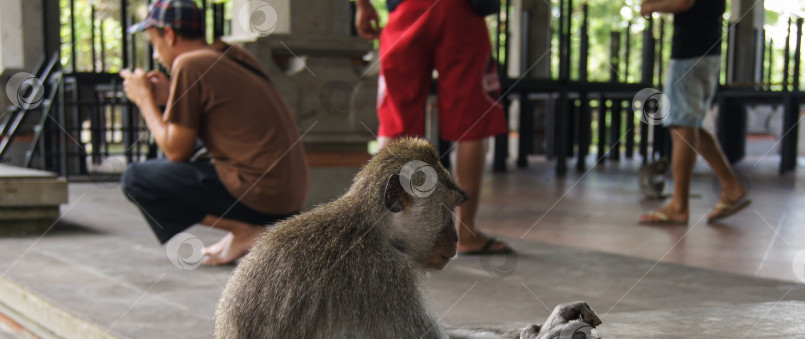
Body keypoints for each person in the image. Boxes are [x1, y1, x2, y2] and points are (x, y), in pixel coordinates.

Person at [120, 0, 309, 265]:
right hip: (289, 196)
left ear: (170, 35)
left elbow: (176, 151)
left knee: (135, 179)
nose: (155, 56)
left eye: (154, 43)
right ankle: (244, 230)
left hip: (261, 196)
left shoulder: (188, 64)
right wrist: (171, 94)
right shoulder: (233, 55)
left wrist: (144, 101)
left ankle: (243, 231)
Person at [355, 0, 513, 254]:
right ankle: (466, 233)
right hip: (462, 11)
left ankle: (383, 232)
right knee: (470, 124)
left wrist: (362, 5)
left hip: (407, 10)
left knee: (396, 122)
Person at [639, 0, 749, 225]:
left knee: (681, 126)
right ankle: (731, 187)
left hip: (689, 54)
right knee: (691, 125)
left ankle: (679, 206)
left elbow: (683, 2)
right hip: (708, 52)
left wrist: (652, 6)